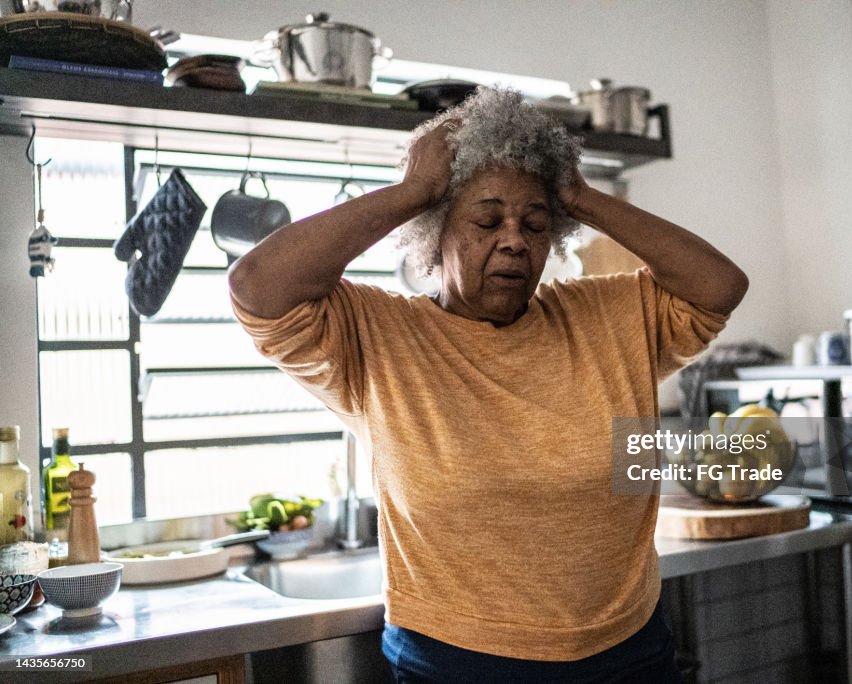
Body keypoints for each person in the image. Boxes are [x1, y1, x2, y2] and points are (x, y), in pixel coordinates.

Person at [228, 87, 748, 683]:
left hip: (627, 652)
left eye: (534, 224)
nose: (513, 240)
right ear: (436, 232)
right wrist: (412, 191)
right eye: (486, 218)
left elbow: (719, 285)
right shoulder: (376, 334)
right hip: (457, 662)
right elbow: (256, 285)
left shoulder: (610, 316)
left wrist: (578, 196)